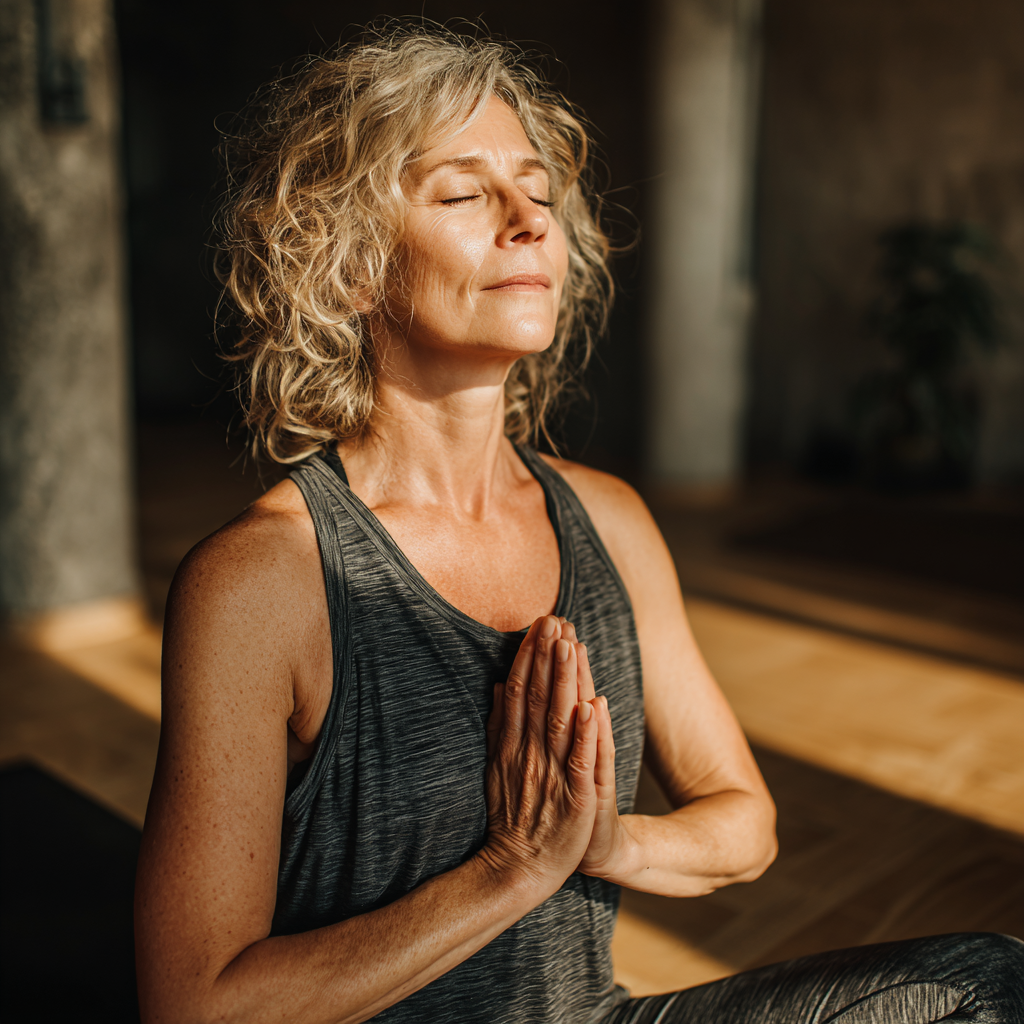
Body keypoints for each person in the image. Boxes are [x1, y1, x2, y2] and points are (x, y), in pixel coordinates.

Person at [134, 23, 1024, 1024]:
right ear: (346, 266)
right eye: (467, 194)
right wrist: (511, 868)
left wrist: (601, 842)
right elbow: (194, 1005)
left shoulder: (608, 519)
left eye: (541, 196)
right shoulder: (262, 580)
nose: (526, 222)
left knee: (984, 985)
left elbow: (744, 825)